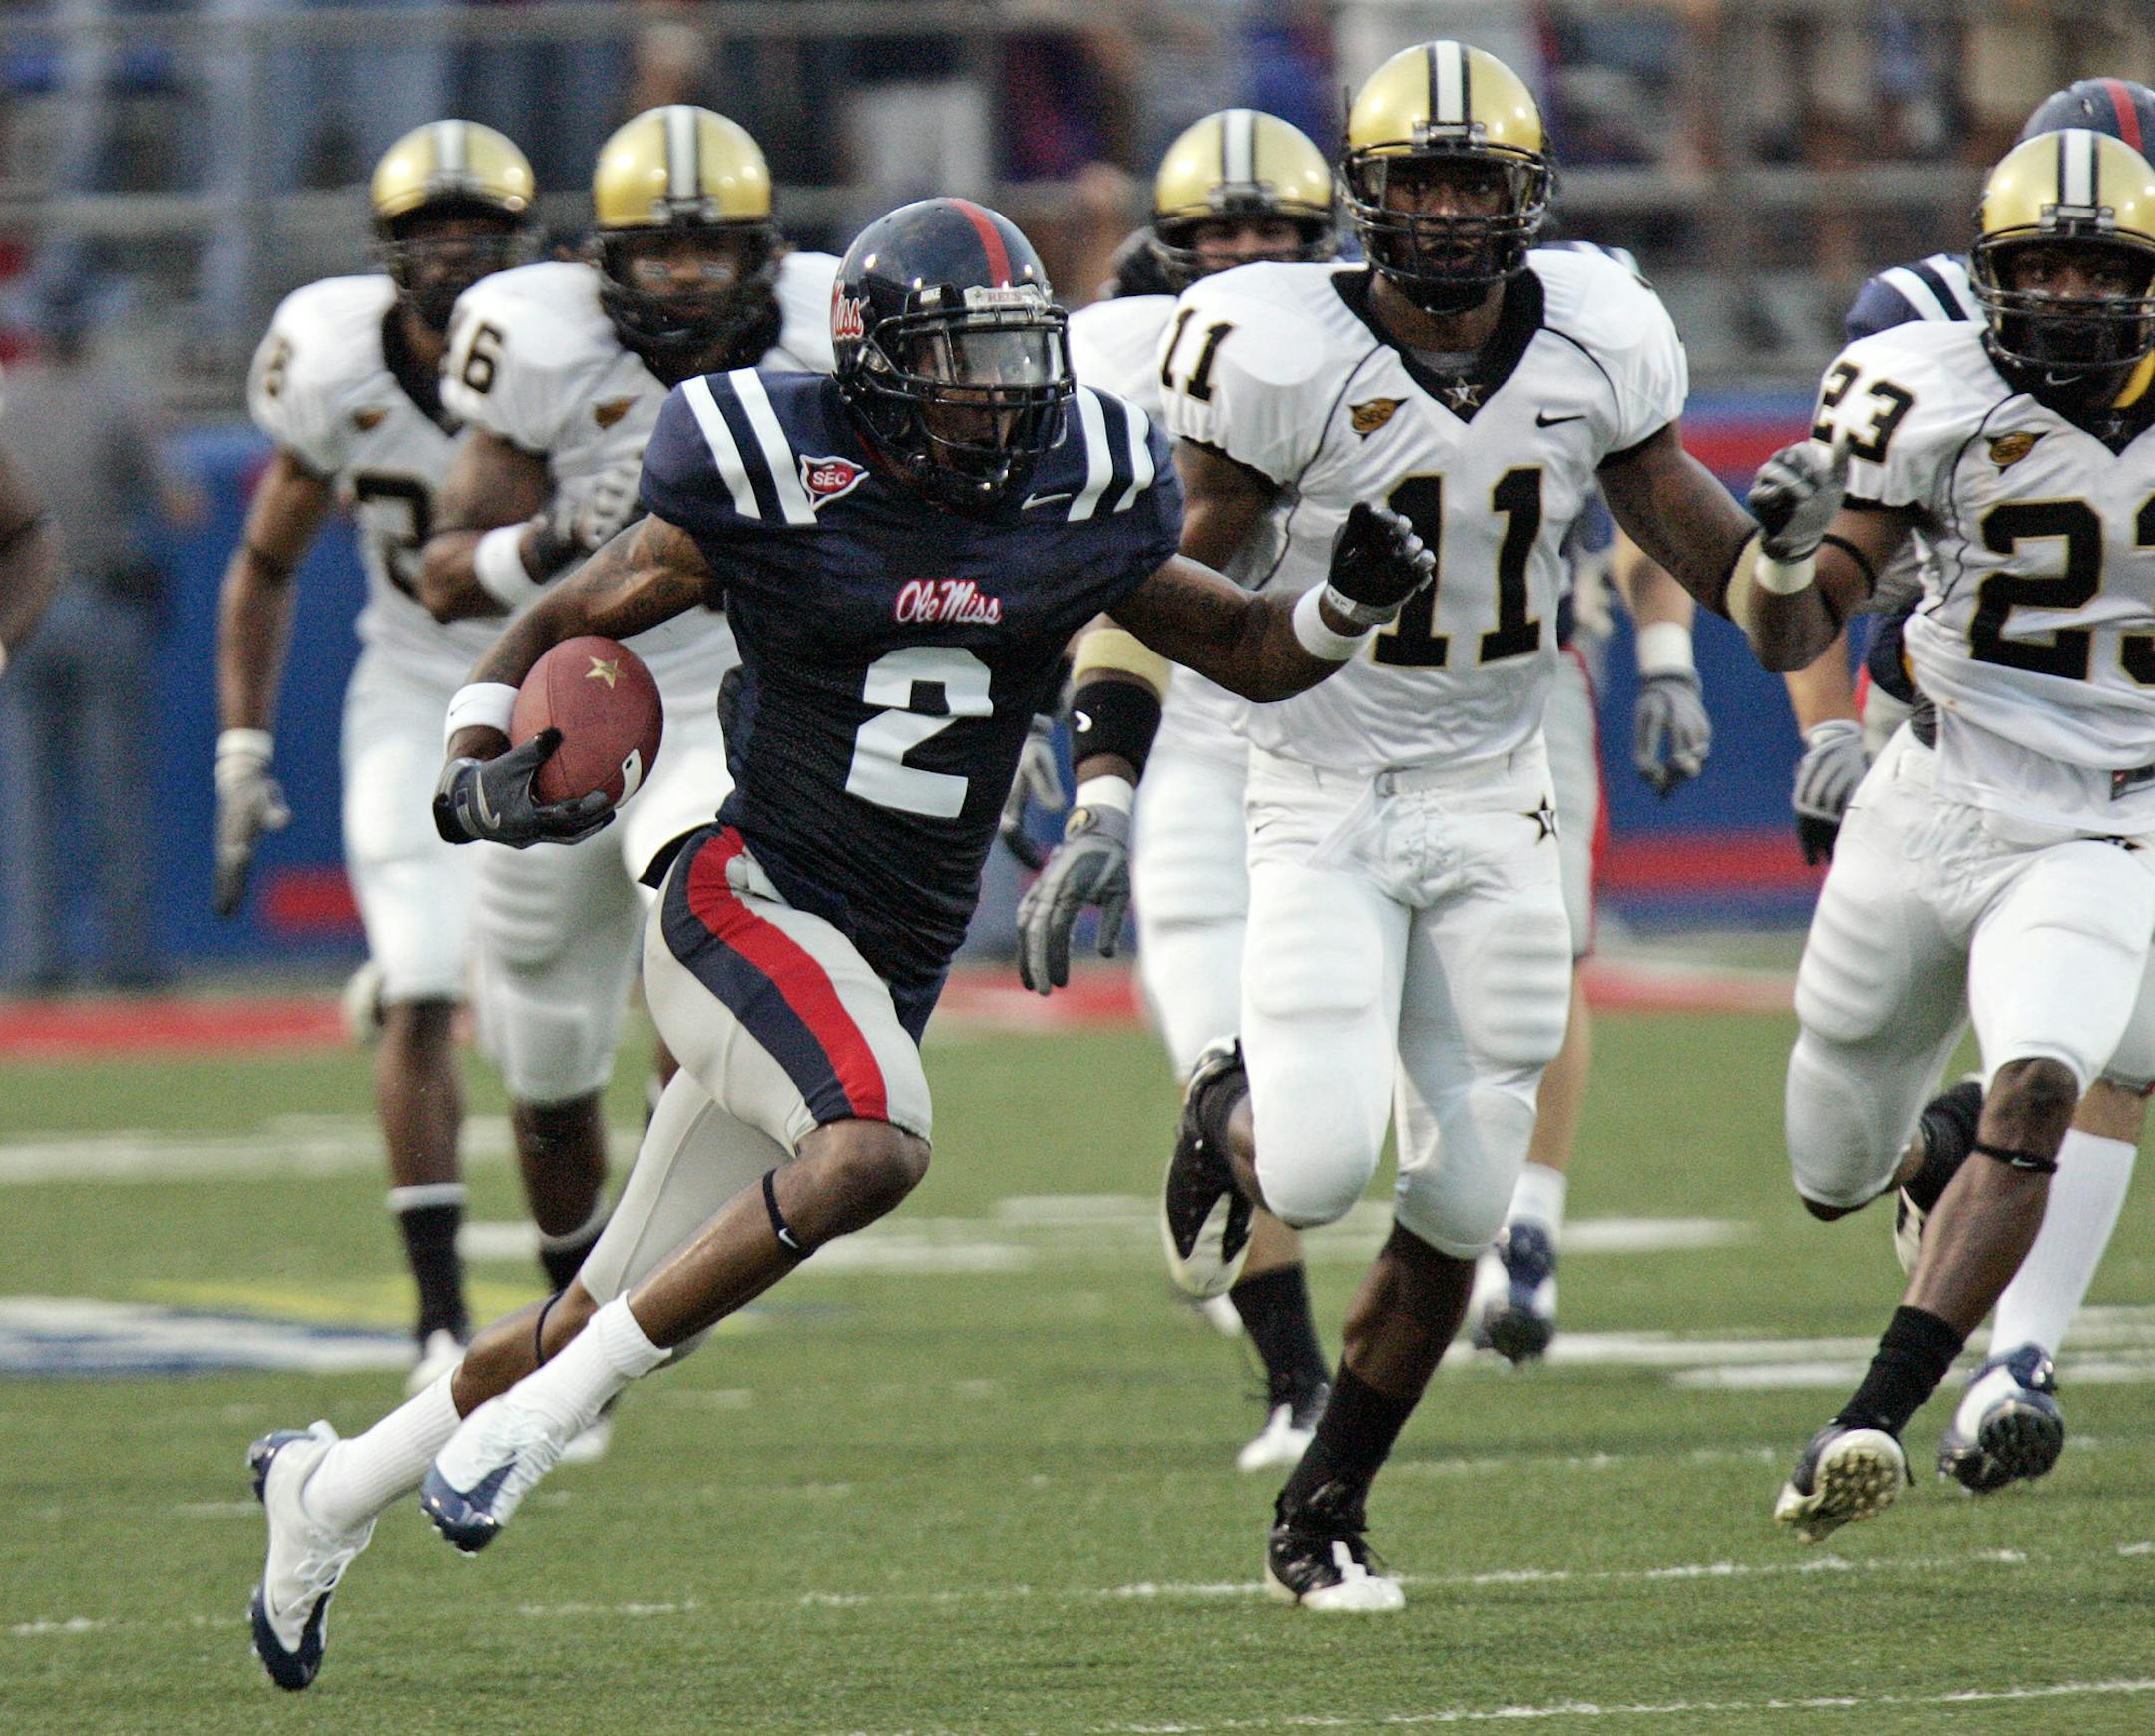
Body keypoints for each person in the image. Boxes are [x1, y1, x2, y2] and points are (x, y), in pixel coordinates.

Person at [239, 195, 1441, 1692]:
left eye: (1019, 355)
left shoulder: (1078, 484)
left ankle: (327, 1492)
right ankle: (542, 1425)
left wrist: (1345, 603)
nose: (1001, 394)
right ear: (874, 364)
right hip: (747, 898)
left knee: (597, 1311)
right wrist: (475, 751)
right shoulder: (771, 465)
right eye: (963, 362)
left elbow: (1251, 652)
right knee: (872, 1146)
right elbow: (566, 612)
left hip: (886, 953)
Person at [1022, 40, 1834, 1610]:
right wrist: (1106, 791)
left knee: (1466, 1195)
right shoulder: (1279, 349)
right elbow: (1155, 584)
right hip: (1319, 791)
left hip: (1496, 787)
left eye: (1478, 184)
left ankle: (1326, 1503)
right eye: (1423, 182)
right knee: (1318, 1169)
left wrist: (1795, 558)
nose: (1452, 215)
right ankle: (1222, 1112)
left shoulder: (1596, 336)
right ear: (1366, 196)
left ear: (1528, 197)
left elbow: (1771, 610)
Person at [1767, 128, 2155, 1542]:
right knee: (1831, 1170)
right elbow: (1805, 619)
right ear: (1988, 274)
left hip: (2107, 819)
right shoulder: (1920, 385)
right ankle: (1935, 1153)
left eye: (2098, 270)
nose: (2067, 296)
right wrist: (1781, 556)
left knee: (2043, 1082)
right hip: (1928, 795)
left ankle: (1874, 1410)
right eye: (2040, 266)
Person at [413, 106, 836, 1384]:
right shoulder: (538, 347)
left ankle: (661, 1228)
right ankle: (565, 1301)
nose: (686, 278)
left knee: (707, 916)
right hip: (571, 691)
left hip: (725, 700)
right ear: (606, 262)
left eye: (710, 251)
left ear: (764, 255)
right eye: (659, 252)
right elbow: (444, 573)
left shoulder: (831, 339)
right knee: (545, 1062)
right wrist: (550, 540)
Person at [213, 121, 536, 1376]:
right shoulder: (333, 362)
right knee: (421, 986)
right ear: (386, 250)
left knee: (558, 1011)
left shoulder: (573, 349)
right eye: (427, 230)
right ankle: (439, 1315)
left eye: (476, 229)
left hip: (566, 690)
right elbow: (264, 562)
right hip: (413, 687)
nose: (452, 253)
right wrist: (243, 747)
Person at [1060, 106, 1342, 1472]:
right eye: (1219, 230)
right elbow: (1071, 564)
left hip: (1340, 737)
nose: (1244, 251)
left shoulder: (1376, 340)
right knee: (1223, 1054)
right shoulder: (1112, 356)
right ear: (1169, 245)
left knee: (1351, 1083)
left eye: (1272, 228)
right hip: (1182, 734)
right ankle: (1298, 1383)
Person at [0, 278, 191, 992]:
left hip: (20, 611)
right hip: (101, 604)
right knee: (117, 796)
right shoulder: (117, 397)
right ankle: (128, 960)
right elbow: (182, 506)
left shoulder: (7, 400)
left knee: (28, 801)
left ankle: (35, 960)